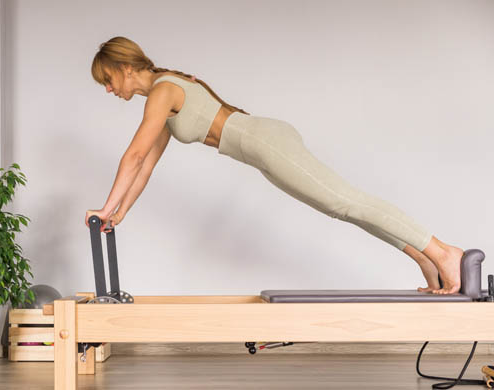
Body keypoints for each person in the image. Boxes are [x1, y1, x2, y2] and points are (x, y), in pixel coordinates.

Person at [84, 36, 464, 295]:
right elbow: (145, 166)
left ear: (125, 67)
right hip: (260, 150)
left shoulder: (164, 89)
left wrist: (104, 208)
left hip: (264, 142)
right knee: (341, 208)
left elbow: (132, 156)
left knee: (346, 201)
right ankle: (423, 256)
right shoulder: (162, 98)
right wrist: (120, 213)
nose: (108, 89)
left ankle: (445, 251)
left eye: (107, 79)